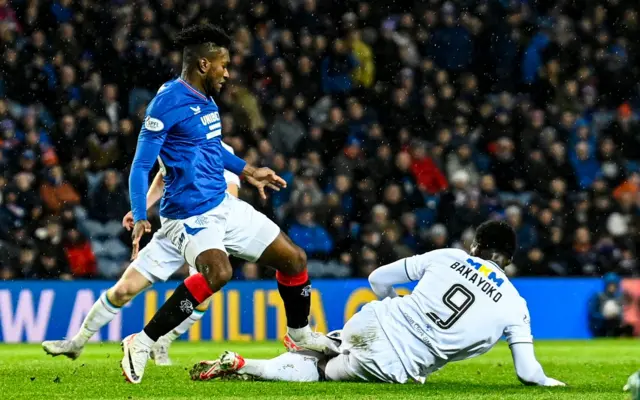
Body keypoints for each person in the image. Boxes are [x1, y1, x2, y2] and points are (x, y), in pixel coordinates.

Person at [120, 24, 336, 384]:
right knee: (218, 273)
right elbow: (141, 165)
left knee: (295, 258)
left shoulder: (206, 99)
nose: (228, 73)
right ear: (204, 64)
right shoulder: (166, 103)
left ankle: (299, 334)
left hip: (223, 206)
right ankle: (142, 342)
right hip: (188, 214)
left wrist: (249, 170)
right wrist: (142, 215)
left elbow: (212, 148)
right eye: (224, 65)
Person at [190, 220, 565, 388]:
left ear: (476, 247)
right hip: (395, 362)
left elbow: (377, 280)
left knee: (328, 352)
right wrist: (552, 385)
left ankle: (322, 342)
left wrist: (395, 306)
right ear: (508, 260)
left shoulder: (450, 256)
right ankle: (253, 364)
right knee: (324, 374)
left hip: (373, 320)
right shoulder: (516, 305)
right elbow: (529, 373)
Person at [42, 142, 239, 366]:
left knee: (202, 297)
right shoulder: (175, 140)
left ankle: (163, 341)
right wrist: (140, 210)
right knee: (123, 290)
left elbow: (231, 195)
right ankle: (77, 343)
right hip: (173, 230)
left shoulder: (221, 150)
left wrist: (219, 239)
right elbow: (163, 178)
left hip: (205, 232)